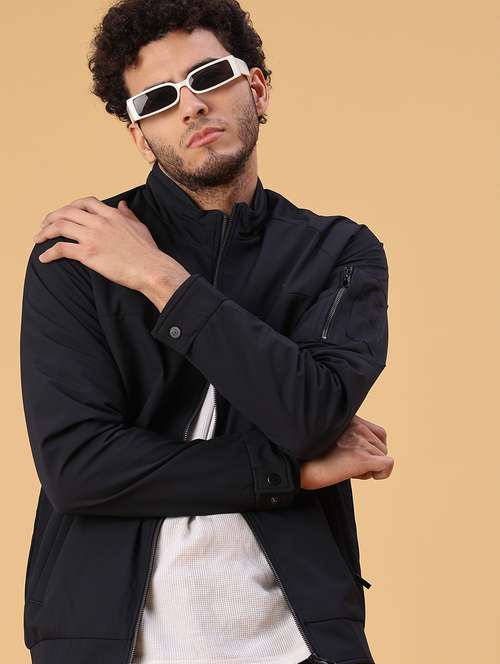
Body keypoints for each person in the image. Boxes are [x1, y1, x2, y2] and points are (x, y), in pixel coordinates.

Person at [20, 1, 394, 663]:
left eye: (209, 77)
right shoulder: (79, 253)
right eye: (158, 99)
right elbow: (79, 469)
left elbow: (311, 414)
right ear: (140, 136)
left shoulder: (339, 251)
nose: (190, 106)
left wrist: (159, 277)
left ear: (257, 88)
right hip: (108, 641)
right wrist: (289, 472)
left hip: (300, 643)